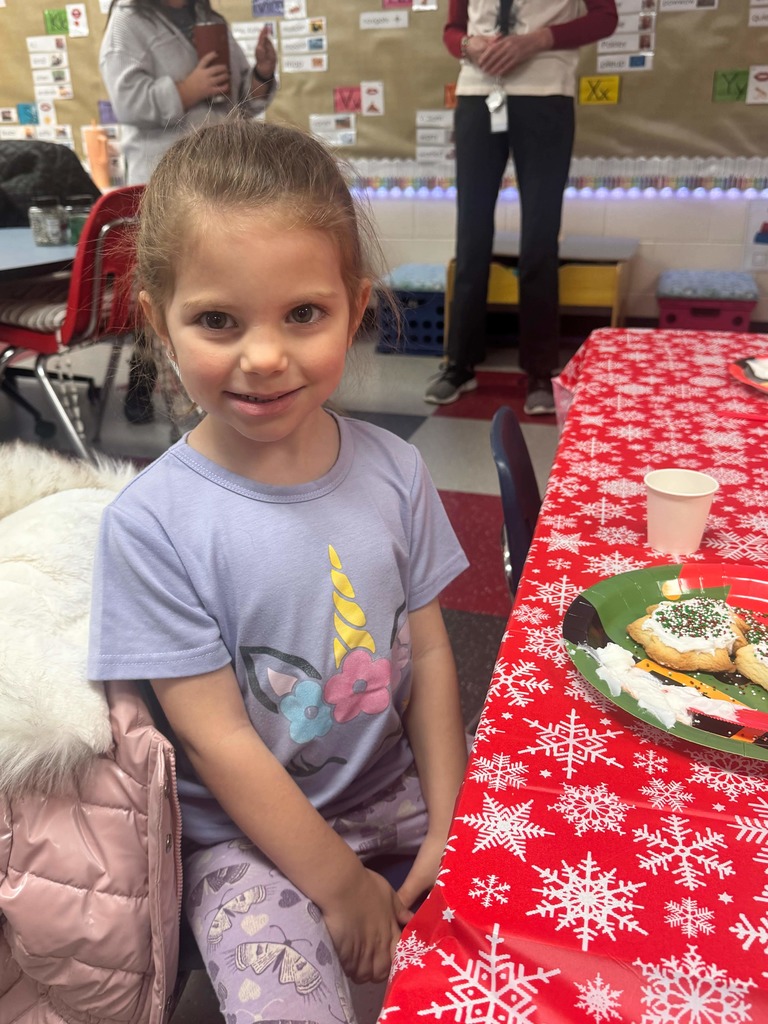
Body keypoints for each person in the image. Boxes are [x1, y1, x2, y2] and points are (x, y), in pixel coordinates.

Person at [87, 119, 470, 1023]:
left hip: (394, 792)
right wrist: (340, 886)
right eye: (218, 320)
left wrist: (452, 822)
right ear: (159, 321)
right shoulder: (151, 526)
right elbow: (217, 740)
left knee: (523, 937)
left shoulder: (397, 471)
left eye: (303, 314)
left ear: (355, 306)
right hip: (242, 840)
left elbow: (430, 658)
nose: (263, 357)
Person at [424, 0, 618, 412]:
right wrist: (469, 46)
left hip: (546, 94)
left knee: (539, 240)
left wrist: (538, 40)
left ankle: (539, 371)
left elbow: (605, 17)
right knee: (471, 235)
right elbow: (452, 30)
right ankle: (460, 364)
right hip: (478, 94)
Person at [100, 0, 278, 423]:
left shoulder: (209, 18)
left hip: (221, 177)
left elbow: (244, 103)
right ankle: (147, 380)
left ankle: (225, 380)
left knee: (221, 282)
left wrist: (261, 72)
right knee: (166, 287)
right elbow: (127, 103)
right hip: (163, 178)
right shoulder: (127, 23)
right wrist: (185, 90)